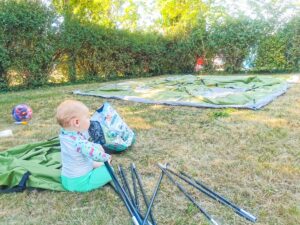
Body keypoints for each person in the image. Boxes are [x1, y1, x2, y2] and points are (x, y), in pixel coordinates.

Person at [56, 99, 112, 192]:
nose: (89, 120)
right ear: (77, 122)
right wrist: (107, 157)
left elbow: (83, 145)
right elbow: (96, 155)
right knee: (109, 171)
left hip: (66, 179)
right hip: (80, 183)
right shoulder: (79, 143)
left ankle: (95, 166)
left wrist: (94, 145)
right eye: (87, 118)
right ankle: (101, 169)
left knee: (85, 159)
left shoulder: (64, 134)